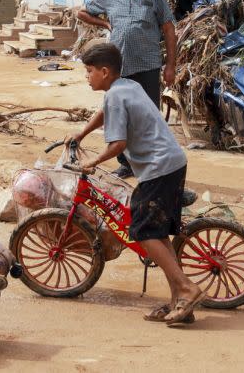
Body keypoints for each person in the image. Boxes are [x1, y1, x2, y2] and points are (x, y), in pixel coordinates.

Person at [67, 42, 202, 325]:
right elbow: (105, 113)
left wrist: (91, 162)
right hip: (171, 162)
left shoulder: (116, 96)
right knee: (157, 233)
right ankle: (178, 299)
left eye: (89, 71)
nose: (87, 76)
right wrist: (81, 134)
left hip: (159, 167)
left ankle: (188, 289)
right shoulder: (126, 87)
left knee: (141, 230)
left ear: (104, 72)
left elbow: (118, 144)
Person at [75, 0, 177, 179]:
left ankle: (153, 162)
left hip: (148, 65)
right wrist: (104, 23)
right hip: (118, 69)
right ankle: (126, 163)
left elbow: (169, 30)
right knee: (118, 116)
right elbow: (81, 12)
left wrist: (170, 66)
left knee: (148, 115)